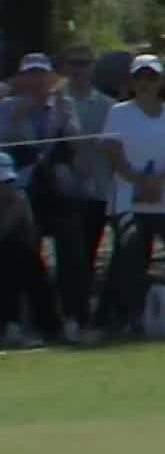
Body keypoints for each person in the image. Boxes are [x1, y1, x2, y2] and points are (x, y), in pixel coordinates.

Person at [98, 55, 165, 338]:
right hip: (129, 198)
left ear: (161, 82)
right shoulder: (119, 112)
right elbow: (113, 152)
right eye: (139, 78)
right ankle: (132, 318)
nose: (145, 84)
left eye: (151, 78)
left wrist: (160, 181)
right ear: (131, 82)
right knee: (130, 260)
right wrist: (140, 181)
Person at [0, 52, 89, 343]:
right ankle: (19, 322)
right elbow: (4, 143)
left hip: (58, 191)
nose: (36, 80)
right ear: (22, 78)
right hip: (22, 192)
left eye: (41, 74)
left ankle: (74, 318)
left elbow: (75, 143)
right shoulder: (7, 107)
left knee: (72, 251)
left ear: (50, 78)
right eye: (30, 74)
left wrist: (63, 116)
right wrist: (20, 114)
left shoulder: (64, 105)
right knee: (22, 254)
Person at [59, 44, 116, 316]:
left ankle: (83, 314)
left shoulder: (109, 106)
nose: (78, 69)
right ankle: (67, 313)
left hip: (98, 190)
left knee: (88, 254)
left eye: (84, 63)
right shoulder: (54, 102)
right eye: (74, 63)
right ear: (65, 66)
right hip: (64, 193)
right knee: (68, 256)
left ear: (92, 67)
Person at [0, 151, 65, 348]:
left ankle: (49, 327)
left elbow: (28, 236)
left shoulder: (20, 200)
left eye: (8, 182)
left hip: (15, 258)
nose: (6, 187)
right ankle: (11, 326)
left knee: (24, 257)